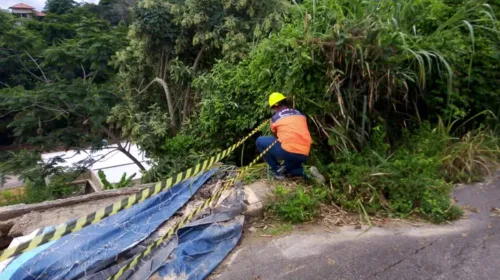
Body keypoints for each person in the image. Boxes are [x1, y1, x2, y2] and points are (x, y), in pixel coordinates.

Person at [256, 92, 325, 183]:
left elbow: (276, 136)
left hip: (288, 149)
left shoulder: (275, 118)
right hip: (304, 152)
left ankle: (276, 170)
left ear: (275, 107)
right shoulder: (299, 113)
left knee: (260, 141)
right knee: (287, 169)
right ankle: (309, 174)